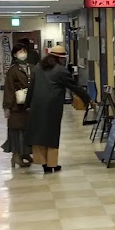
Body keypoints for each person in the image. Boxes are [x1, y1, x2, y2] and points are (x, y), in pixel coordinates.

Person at [25, 45, 90, 173]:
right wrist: (88, 99)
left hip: (37, 106)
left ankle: (43, 162)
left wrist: (27, 104)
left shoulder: (37, 68)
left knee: (39, 135)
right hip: (52, 107)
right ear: (60, 58)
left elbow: (31, 87)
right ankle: (51, 164)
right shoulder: (61, 71)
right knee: (52, 135)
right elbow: (74, 87)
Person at [1, 44, 33, 168]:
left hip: (30, 104)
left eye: (24, 51)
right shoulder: (13, 70)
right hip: (17, 106)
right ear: (15, 54)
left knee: (28, 130)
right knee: (17, 130)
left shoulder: (32, 67)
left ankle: (25, 152)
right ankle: (16, 156)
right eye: (19, 51)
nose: (22, 54)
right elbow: (8, 88)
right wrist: (7, 106)